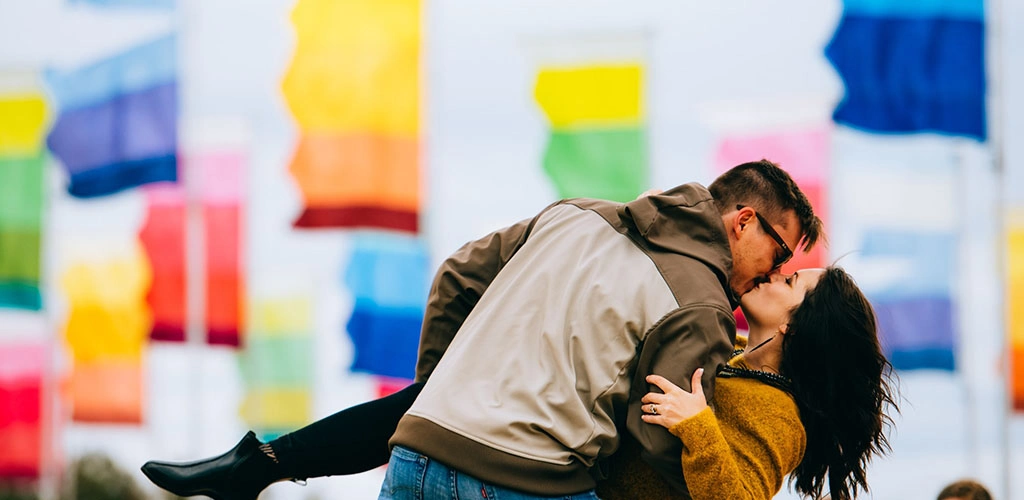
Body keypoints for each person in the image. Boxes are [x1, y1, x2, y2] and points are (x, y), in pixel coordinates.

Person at [142, 160, 822, 498]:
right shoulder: (700, 305)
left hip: (412, 460)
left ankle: (260, 463)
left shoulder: (577, 213)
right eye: (781, 253)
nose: (775, 272)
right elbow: (653, 443)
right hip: (523, 482)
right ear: (740, 222)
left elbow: (457, 276)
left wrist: (443, 393)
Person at [596, 267, 898, 500]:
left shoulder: (781, 417)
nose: (773, 274)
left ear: (793, 326)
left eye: (789, 280)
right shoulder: (727, 346)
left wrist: (696, 425)